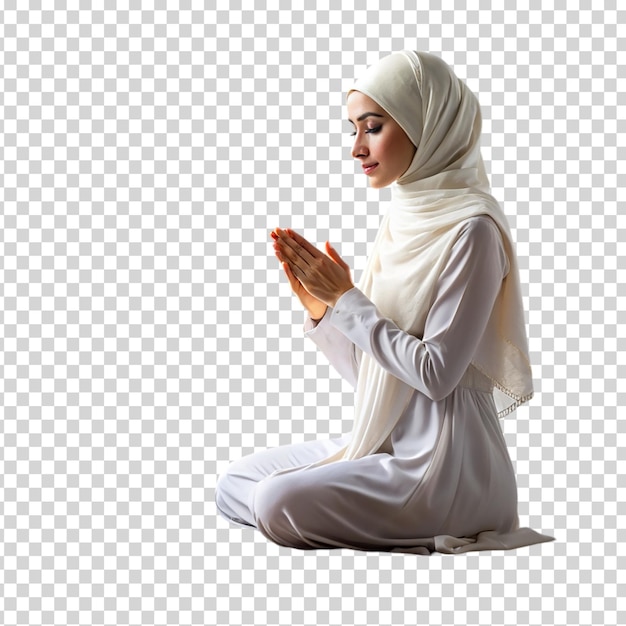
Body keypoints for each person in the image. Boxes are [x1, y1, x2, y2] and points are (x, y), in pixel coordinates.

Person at [215, 51, 554, 554]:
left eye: (372, 127)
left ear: (430, 126)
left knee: (274, 502)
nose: (356, 148)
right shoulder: (404, 218)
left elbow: (436, 375)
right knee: (234, 483)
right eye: (352, 129)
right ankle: (350, 506)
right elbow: (377, 377)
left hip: (447, 469)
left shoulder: (474, 231)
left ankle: (443, 518)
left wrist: (349, 300)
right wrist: (324, 312)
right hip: (389, 443)